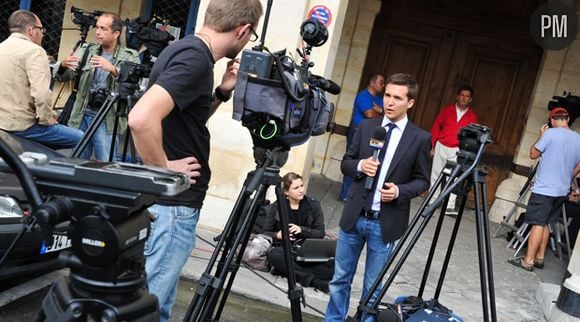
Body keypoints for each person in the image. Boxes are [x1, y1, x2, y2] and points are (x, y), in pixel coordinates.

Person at [127, 1, 263, 320]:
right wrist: (163, 168)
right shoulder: (194, 60)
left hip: (171, 207)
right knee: (148, 308)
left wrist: (222, 92)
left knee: (158, 306)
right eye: (250, 35)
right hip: (172, 208)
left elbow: (187, 118)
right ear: (243, 31)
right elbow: (141, 119)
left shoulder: (189, 51)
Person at [325, 73, 431, 321]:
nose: (390, 102)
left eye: (397, 97)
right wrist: (361, 165)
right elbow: (346, 164)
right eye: (387, 96)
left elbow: (422, 180)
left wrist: (398, 192)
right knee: (340, 279)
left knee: (372, 290)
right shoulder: (367, 127)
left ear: (410, 103)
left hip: (384, 223)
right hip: (353, 218)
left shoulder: (420, 138)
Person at [55, 12, 140, 161]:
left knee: (107, 163)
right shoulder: (87, 50)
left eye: (103, 28)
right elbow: (67, 76)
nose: (98, 32)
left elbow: (134, 87)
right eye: (97, 27)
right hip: (81, 115)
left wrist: (114, 70)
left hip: (108, 119)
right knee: (78, 162)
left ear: (116, 34)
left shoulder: (130, 56)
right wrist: (62, 66)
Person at [509, 107, 580, 271]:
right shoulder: (578, 138)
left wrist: (541, 135)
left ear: (552, 120)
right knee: (548, 223)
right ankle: (540, 258)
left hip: (545, 188)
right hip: (562, 190)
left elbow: (533, 154)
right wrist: (569, 175)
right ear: (567, 119)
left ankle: (528, 260)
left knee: (537, 224)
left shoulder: (550, 134)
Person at [0, 10, 83, 150]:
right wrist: (47, 119)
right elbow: (41, 93)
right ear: (31, 30)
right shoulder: (35, 51)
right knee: (82, 138)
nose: (43, 33)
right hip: (23, 126)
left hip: (2, 123)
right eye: (41, 29)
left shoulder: (2, 48)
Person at [263, 172, 333, 292]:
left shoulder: (313, 205)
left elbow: (320, 233)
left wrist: (302, 230)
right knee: (274, 255)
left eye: (301, 186)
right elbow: (265, 232)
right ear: (286, 192)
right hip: (287, 250)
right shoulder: (277, 206)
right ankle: (314, 282)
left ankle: (285, 271)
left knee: (332, 267)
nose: (301, 190)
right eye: (296, 188)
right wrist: (278, 235)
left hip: (307, 250)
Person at [429, 85, 477, 214]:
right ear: (457, 96)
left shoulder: (472, 116)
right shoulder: (447, 110)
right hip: (441, 144)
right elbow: (436, 127)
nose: (463, 98)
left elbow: (471, 136)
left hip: (457, 149)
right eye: (462, 95)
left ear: (470, 99)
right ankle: (432, 200)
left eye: (467, 96)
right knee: (436, 173)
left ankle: (449, 205)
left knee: (455, 177)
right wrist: (432, 145)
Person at [339, 73, 385, 202]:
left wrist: (380, 111)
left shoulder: (381, 99)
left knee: (370, 163)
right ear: (372, 82)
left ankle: (359, 195)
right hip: (357, 131)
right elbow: (369, 114)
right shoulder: (363, 96)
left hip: (373, 133)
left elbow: (387, 114)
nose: (383, 85)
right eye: (381, 82)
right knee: (353, 162)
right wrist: (380, 112)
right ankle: (345, 195)